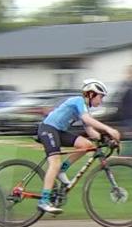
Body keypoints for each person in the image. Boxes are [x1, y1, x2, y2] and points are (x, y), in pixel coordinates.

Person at [35, 78, 121, 214]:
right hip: (48, 129)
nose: (101, 100)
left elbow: (91, 132)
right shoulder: (78, 101)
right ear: (91, 94)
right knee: (54, 163)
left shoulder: (84, 108)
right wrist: (109, 129)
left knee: (86, 145)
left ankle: (61, 171)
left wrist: (106, 139)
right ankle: (43, 201)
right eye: (101, 97)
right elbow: (88, 120)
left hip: (58, 131)